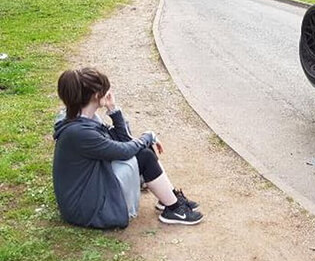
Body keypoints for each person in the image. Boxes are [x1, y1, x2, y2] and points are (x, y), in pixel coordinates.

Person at [52, 67, 203, 228]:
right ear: (96, 94)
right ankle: (174, 209)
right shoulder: (79, 132)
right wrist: (148, 137)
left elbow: (123, 140)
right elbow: (124, 151)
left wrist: (113, 110)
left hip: (89, 189)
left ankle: (168, 197)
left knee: (143, 150)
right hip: (86, 208)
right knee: (144, 154)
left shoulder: (80, 117)